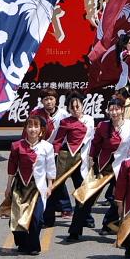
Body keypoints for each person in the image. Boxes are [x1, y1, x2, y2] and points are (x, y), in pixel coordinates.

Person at [65, 98, 130, 241]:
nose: (114, 112)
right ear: (108, 111)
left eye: (117, 109)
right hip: (103, 166)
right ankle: (74, 230)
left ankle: (114, 228)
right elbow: (95, 144)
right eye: (112, 109)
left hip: (123, 168)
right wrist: (91, 158)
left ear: (123, 110)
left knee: (122, 199)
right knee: (85, 196)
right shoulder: (103, 126)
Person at [4, 114, 56, 255]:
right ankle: (22, 243)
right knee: (16, 218)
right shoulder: (17, 146)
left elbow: (50, 167)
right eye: (30, 126)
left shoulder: (47, 147)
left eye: (36, 126)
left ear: (41, 130)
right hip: (20, 187)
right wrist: (8, 186)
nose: (32, 129)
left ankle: (33, 246)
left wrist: (50, 185)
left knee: (37, 218)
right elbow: (12, 167)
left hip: (38, 187)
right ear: (26, 128)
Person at [43, 92, 95, 228]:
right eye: (72, 107)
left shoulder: (89, 120)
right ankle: (48, 219)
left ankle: (86, 218)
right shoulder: (65, 122)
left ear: (83, 106)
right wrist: (53, 156)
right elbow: (58, 141)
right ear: (68, 109)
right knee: (54, 188)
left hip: (80, 159)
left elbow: (88, 138)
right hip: (65, 158)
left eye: (78, 106)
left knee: (83, 189)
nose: (76, 110)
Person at [30, 87, 71, 216]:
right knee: (39, 179)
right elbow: (28, 131)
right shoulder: (36, 113)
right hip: (40, 151)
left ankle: (66, 207)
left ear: (56, 100)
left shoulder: (64, 114)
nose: (49, 102)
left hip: (57, 151)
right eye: (45, 99)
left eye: (51, 99)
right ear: (42, 101)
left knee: (57, 179)